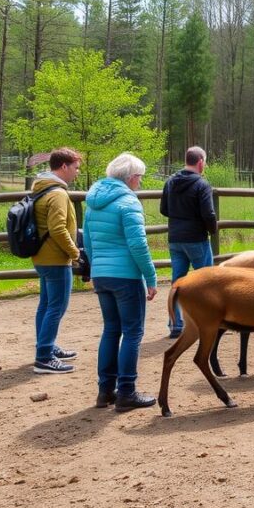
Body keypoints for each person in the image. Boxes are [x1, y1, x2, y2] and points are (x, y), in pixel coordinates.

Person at [84, 152, 159, 412]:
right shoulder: (128, 201)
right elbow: (138, 244)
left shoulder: (93, 201)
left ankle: (105, 391)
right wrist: (150, 276)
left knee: (111, 330)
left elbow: (89, 241)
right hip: (125, 275)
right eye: (140, 177)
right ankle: (127, 391)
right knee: (133, 331)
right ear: (131, 177)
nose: (140, 182)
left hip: (102, 274)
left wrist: (96, 269)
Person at [30, 147, 83, 375]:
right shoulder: (58, 194)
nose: (77, 172)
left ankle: (46, 346)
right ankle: (43, 357)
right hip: (55, 259)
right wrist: (74, 252)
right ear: (64, 166)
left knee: (46, 305)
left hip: (42, 256)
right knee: (56, 307)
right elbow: (58, 228)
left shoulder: (42, 188)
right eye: (75, 167)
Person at [160, 146, 217, 339]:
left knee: (177, 281)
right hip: (196, 238)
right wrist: (212, 229)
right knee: (206, 282)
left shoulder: (170, 182)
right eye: (205, 161)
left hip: (175, 238)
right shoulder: (202, 185)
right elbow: (208, 213)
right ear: (200, 162)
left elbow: (164, 209)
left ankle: (175, 324)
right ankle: (207, 322)